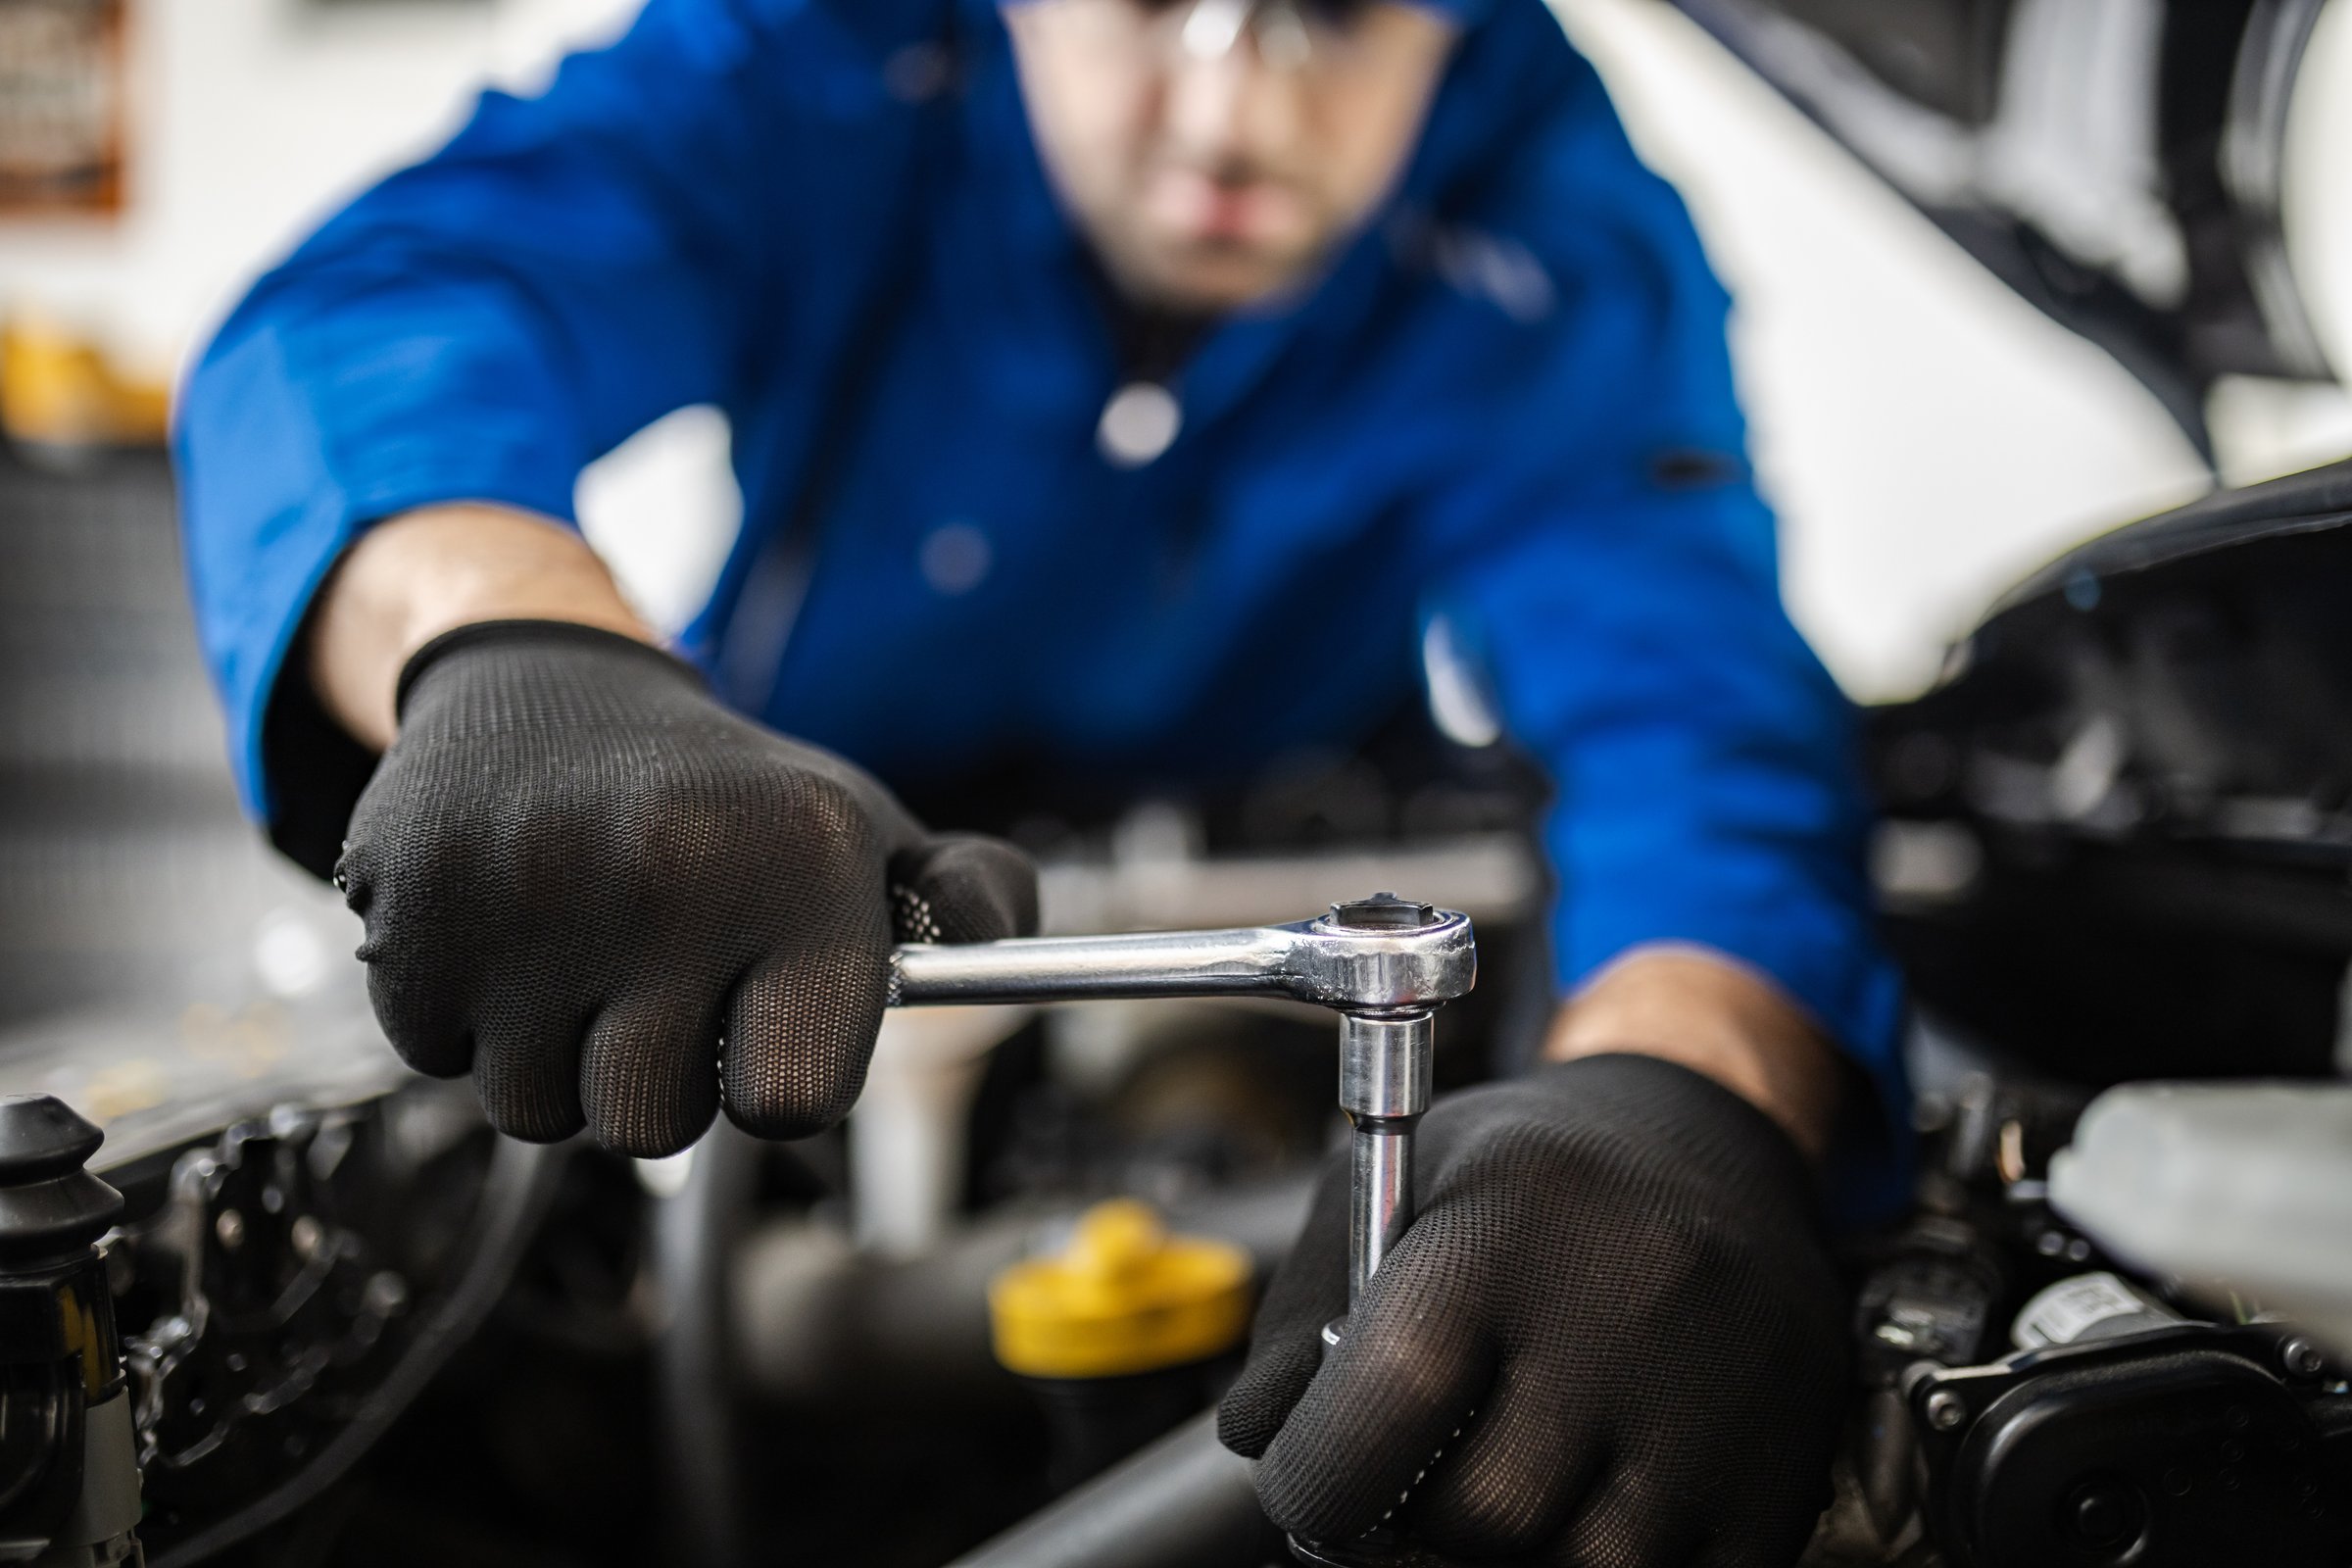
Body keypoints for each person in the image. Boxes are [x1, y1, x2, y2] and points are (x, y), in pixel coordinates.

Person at [176, 0, 1907, 1560]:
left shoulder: (1547, 203)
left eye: (1334, 12)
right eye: (1148, 1)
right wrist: (514, 647)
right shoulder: (824, 52)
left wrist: (1692, 1091)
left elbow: (1695, 721)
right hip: (766, 858)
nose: (1231, 112)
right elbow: (392, 304)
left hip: (1294, 880)